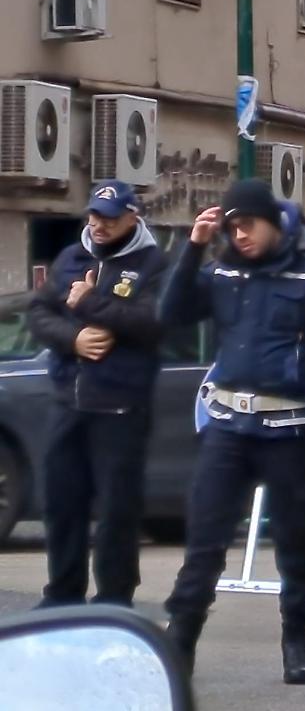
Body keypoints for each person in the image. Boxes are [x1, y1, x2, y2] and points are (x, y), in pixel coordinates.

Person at [158, 179, 305, 685]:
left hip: (292, 427)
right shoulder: (224, 270)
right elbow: (167, 316)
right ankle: (179, 643)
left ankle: (296, 635)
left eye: (247, 224)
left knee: (294, 540)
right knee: (205, 539)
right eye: (231, 227)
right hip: (227, 427)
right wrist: (193, 248)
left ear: (274, 221)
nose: (239, 235)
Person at [27, 180, 167, 608]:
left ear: (132, 217)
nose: (97, 224)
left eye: (108, 217)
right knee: (62, 503)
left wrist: (89, 303)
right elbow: (39, 313)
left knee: (117, 513)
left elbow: (151, 323)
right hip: (69, 403)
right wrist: (75, 338)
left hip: (121, 407)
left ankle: (114, 598)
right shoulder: (72, 257)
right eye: (93, 215)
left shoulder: (153, 265)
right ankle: (62, 595)